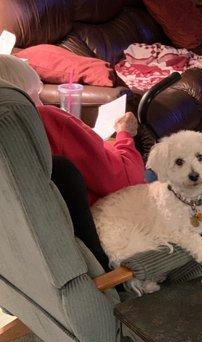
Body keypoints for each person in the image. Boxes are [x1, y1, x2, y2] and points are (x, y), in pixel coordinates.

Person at [0, 55, 145, 269]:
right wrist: (124, 136)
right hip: (113, 230)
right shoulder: (45, 118)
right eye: (36, 95)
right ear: (20, 96)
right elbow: (125, 181)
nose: (41, 102)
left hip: (54, 259)